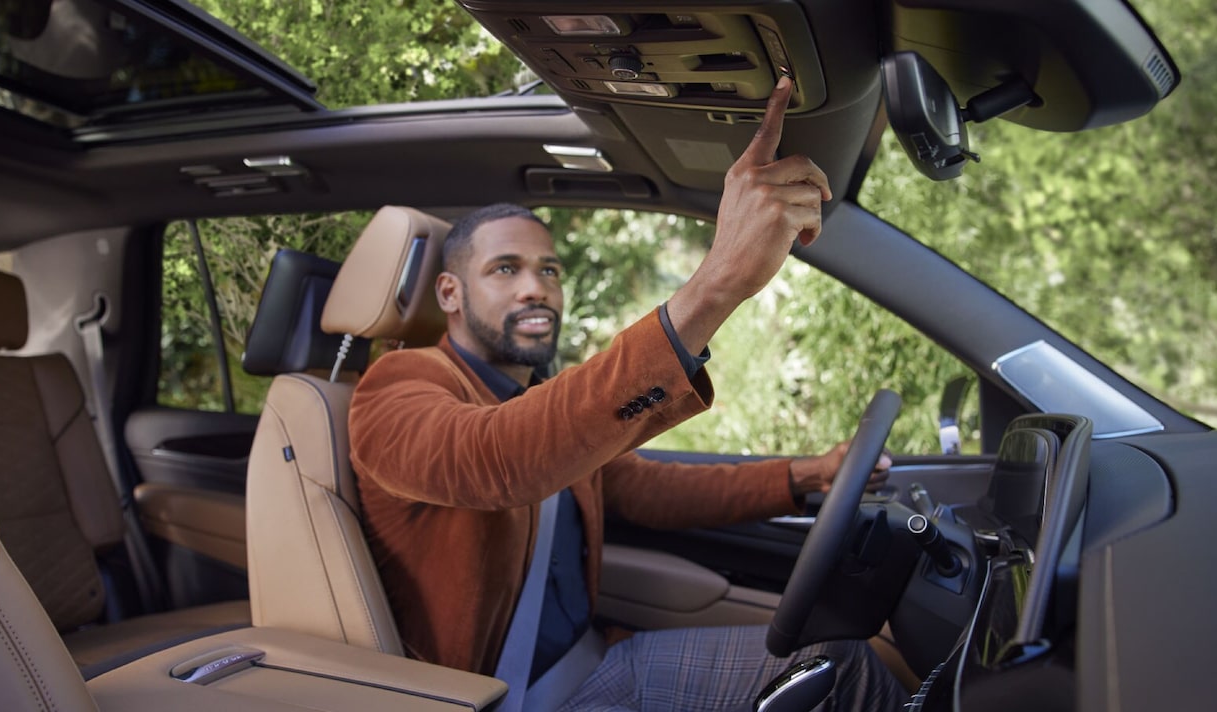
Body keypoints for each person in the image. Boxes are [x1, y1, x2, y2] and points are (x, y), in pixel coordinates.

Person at [348, 77, 907, 712]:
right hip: (506, 698)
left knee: (838, 667)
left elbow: (645, 488)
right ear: (449, 293)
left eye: (549, 270)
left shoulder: (537, 396)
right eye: (506, 269)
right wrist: (714, 287)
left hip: (597, 662)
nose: (537, 288)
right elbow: (498, 460)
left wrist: (810, 474)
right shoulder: (393, 388)